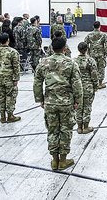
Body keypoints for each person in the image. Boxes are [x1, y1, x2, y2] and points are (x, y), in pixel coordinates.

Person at [34, 36, 83, 170]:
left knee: (52, 130)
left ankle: (54, 160)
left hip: (50, 102)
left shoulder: (43, 63)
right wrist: (78, 100)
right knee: (65, 130)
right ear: (64, 48)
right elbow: (77, 84)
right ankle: (63, 160)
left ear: (51, 48)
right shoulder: (71, 63)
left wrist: (40, 99)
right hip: (66, 102)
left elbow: (37, 82)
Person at [0, 33, 21, 123]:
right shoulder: (13, 52)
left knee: (0, 97)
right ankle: (10, 116)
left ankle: (2, 116)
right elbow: (16, 67)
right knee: (10, 96)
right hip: (9, 78)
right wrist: (16, 78)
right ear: (8, 40)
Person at [74, 42, 99, 134]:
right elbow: (94, 75)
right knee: (87, 106)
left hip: (77, 87)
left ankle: (79, 127)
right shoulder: (90, 60)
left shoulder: (74, 61)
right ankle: (86, 127)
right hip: (88, 86)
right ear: (87, 49)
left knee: (78, 107)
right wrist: (96, 85)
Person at [84, 21, 107, 88]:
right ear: (99, 26)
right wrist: (105, 54)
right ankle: (100, 83)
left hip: (92, 54)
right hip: (101, 54)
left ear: (93, 26)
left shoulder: (89, 35)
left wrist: (88, 53)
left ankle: (94, 83)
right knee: (101, 68)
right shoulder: (103, 35)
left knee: (93, 68)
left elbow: (85, 44)